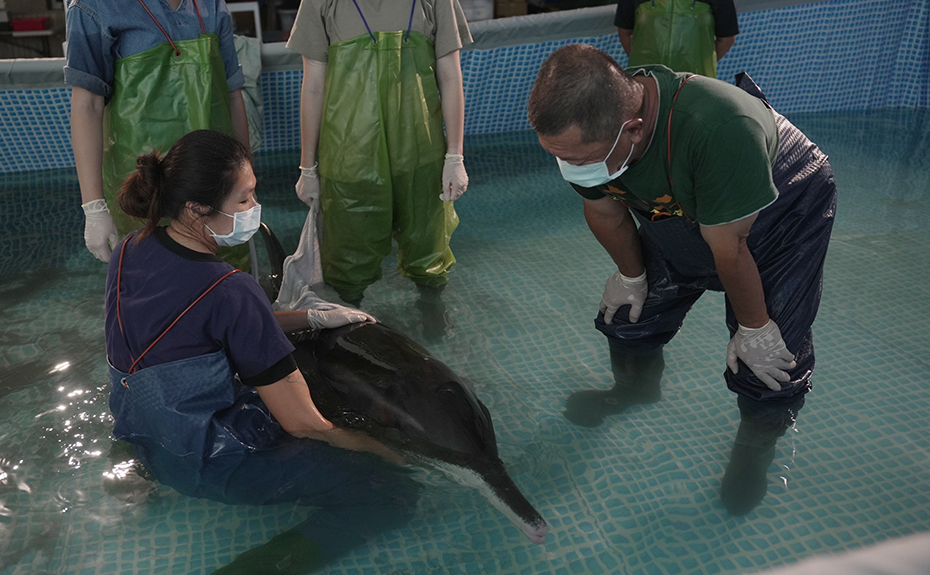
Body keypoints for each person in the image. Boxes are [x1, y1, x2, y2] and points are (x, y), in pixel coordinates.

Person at [528, 44, 837, 515]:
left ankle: (755, 450)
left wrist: (754, 327)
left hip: (781, 202)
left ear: (632, 129)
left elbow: (730, 248)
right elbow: (604, 212)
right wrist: (631, 276)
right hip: (682, 203)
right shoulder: (591, 136)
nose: (571, 169)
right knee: (628, 318)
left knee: (770, 363)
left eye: (581, 158)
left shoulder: (719, 128)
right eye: (559, 156)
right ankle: (634, 390)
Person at [105, 130, 419, 573]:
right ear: (197, 209)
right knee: (392, 493)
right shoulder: (231, 290)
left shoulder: (128, 252)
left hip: (140, 437)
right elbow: (306, 425)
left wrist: (309, 318)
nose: (254, 209)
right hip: (207, 463)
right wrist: (384, 454)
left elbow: (194, 329)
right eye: (244, 200)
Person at [285, 0, 472, 312]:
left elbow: (451, 75)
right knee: (348, 262)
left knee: (429, 253)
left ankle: (433, 320)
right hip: (349, 155)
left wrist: (455, 156)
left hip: (421, 154)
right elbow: (313, 86)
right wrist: (308, 167)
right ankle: (351, 326)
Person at [65, 0, 251, 268]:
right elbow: (87, 105)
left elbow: (232, 94)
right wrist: (93, 206)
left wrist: (246, 183)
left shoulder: (211, 5)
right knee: (157, 284)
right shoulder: (94, 6)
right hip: (145, 187)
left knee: (227, 285)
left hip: (217, 185)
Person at [615, 0, 738, 78]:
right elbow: (625, 32)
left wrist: (700, 62)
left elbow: (726, 39)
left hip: (696, 87)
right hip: (646, 85)